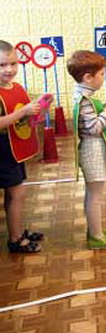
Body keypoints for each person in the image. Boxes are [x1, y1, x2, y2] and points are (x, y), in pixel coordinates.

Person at [67, 50, 106, 250]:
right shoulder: (84, 100)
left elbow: (92, 116)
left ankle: (94, 230)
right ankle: (96, 236)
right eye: (101, 74)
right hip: (92, 150)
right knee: (95, 197)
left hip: (92, 149)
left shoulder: (82, 95)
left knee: (92, 194)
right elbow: (94, 128)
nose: (103, 78)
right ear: (88, 77)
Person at [0, 40, 43, 253]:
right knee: (18, 193)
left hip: (14, 149)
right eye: (2, 65)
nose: (9, 69)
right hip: (2, 151)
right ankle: (16, 239)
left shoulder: (16, 88)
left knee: (13, 193)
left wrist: (38, 110)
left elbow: (24, 120)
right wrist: (23, 112)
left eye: (13, 64)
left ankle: (16, 231)